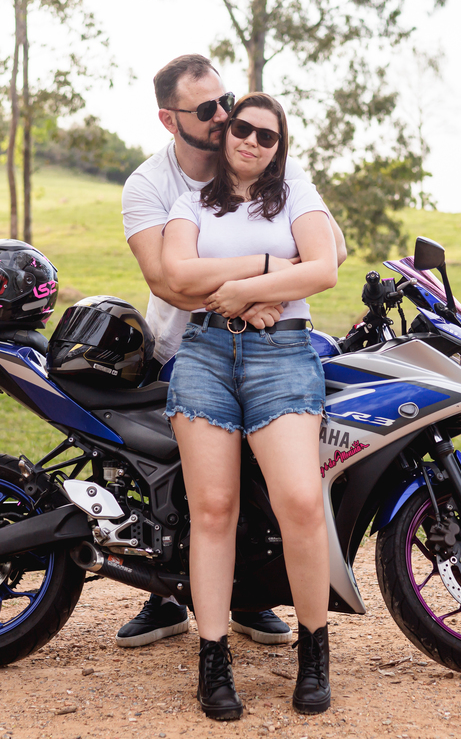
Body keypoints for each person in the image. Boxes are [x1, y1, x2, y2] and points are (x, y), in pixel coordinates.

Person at [118, 54, 346, 648]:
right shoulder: (155, 186)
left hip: (272, 341)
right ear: (171, 121)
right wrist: (262, 281)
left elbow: (329, 258)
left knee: (266, 490)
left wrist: (262, 292)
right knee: (197, 494)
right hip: (182, 340)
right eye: (209, 111)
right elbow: (171, 282)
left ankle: (250, 600)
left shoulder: (275, 175)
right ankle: (165, 598)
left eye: (228, 102)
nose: (225, 119)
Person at [162, 92, 337, 720]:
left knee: (298, 499)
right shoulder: (190, 203)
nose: (253, 143)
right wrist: (261, 273)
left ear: (278, 147)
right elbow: (177, 274)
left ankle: (314, 649)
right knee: (212, 510)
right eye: (243, 129)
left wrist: (240, 291)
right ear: (226, 131)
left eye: (268, 136)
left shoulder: (296, 194)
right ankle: (213, 659)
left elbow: (322, 270)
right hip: (206, 354)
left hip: (282, 354)